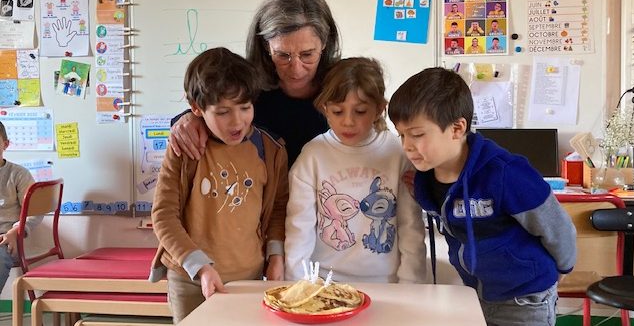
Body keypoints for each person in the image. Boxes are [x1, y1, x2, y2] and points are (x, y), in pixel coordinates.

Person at [388, 67, 577, 326]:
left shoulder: (505, 173)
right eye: (402, 135)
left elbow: (556, 225)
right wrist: (420, 194)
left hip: (524, 299)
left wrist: (564, 267)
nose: (407, 145)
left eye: (417, 134)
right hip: (474, 295)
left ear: (457, 129)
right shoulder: (425, 178)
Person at [149, 47, 289, 323]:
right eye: (223, 112)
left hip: (249, 277)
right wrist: (200, 267)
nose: (237, 121)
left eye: (245, 108)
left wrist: (275, 256)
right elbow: (163, 215)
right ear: (196, 108)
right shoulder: (184, 149)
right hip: (189, 279)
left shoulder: (271, 150)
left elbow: (278, 210)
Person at [284, 57, 427, 284]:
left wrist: (412, 283)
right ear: (325, 109)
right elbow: (299, 228)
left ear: (380, 109)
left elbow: (410, 226)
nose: (348, 122)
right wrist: (296, 283)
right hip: (323, 281)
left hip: (385, 282)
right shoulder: (312, 155)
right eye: (338, 112)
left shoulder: (396, 152)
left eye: (360, 111)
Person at [169, 0, 340, 168]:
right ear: (266, 46)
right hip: (254, 194)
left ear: (325, 43)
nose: (296, 70)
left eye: (307, 55)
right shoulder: (246, 83)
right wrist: (189, 118)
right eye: (283, 55)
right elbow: (207, 103)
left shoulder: (343, 85)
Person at [0, 121, 41, 294]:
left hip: (6, 238)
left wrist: (15, 232)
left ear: (5, 144)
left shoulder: (18, 174)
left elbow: (34, 211)